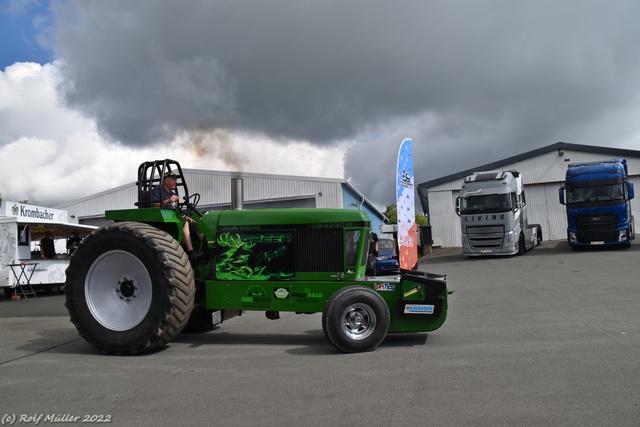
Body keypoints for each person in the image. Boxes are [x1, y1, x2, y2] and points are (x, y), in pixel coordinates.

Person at [152, 171, 202, 262]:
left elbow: (176, 210)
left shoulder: (172, 194)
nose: (176, 182)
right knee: (184, 223)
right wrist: (168, 200)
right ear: (166, 181)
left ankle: (207, 249)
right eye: (174, 179)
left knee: (198, 225)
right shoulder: (157, 190)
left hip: (174, 217)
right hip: (162, 218)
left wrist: (184, 215)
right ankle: (191, 252)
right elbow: (154, 205)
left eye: (176, 180)